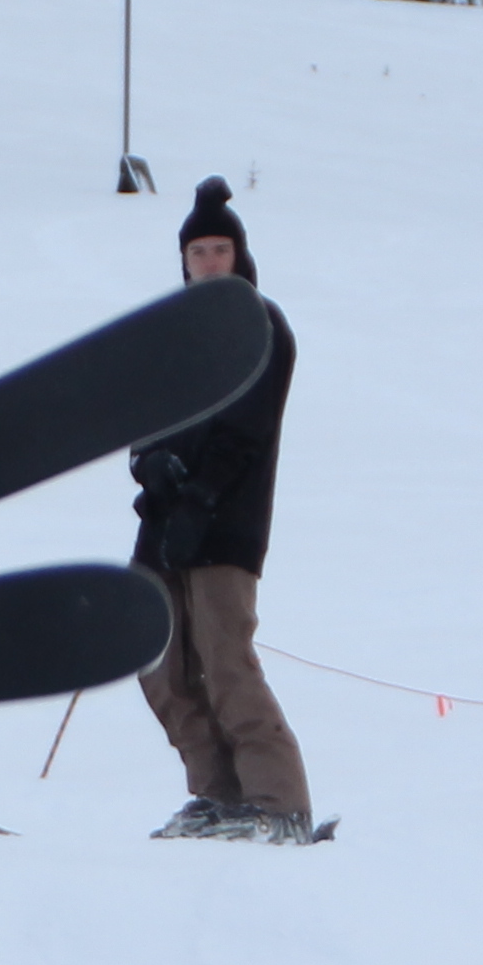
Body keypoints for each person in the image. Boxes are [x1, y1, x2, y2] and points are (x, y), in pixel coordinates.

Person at [130, 177, 319, 842]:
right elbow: (138, 414)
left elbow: (247, 429)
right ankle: (217, 795)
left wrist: (202, 498)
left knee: (224, 661)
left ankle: (278, 802)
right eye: (198, 251)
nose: (209, 262)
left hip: (226, 524)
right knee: (161, 665)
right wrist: (149, 464)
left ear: (239, 255)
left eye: (220, 250)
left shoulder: (260, 325)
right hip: (162, 527)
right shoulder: (169, 331)